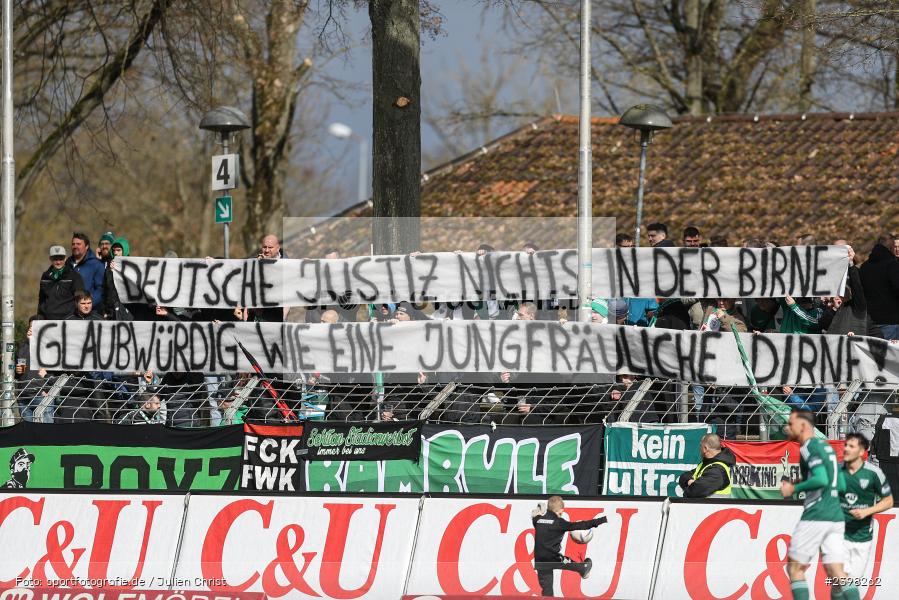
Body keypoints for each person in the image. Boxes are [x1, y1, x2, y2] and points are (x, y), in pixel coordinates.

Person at [780, 409, 857, 600]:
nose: (787, 427)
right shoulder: (827, 447)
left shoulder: (809, 447)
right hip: (835, 516)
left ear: (803, 426)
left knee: (795, 568)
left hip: (817, 514)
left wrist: (793, 488)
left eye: (790, 423)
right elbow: (841, 484)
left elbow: (821, 479)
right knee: (837, 574)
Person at [840, 433, 893, 581]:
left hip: (862, 537)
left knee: (852, 581)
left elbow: (888, 501)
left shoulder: (873, 473)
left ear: (862, 451)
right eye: (845, 445)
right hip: (839, 535)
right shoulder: (836, 471)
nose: (846, 449)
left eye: (851, 446)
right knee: (842, 579)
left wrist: (866, 511)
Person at [531, 495, 607, 597]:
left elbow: (535, 517)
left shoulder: (538, 520)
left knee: (547, 590)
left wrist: (537, 514)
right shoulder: (559, 522)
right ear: (560, 511)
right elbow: (581, 525)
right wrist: (602, 520)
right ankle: (583, 568)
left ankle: (548, 596)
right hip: (553, 558)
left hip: (540, 560)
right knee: (566, 561)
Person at [860, 234, 899, 340]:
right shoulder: (892, 265)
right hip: (891, 320)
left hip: (868, 320)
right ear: (891, 247)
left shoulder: (864, 266)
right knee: (889, 350)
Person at [677, 433, 735, 498]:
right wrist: (689, 482)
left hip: (712, 505)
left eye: (700, 446)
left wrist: (691, 484)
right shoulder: (706, 464)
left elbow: (693, 492)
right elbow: (683, 476)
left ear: (705, 448)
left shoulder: (718, 470)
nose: (700, 449)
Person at [38, 245, 85, 319]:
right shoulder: (45, 276)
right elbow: (41, 299)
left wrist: (77, 317)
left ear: (65, 258)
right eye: (55, 259)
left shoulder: (74, 276)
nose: (58, 262)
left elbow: (80, 298)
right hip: (48, 319)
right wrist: (40, 316)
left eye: (61, 259)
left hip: (69, 319)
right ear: (50, 259)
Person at [67, 232, 105, 306]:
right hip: (69, 310)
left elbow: (101, 289)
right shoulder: (67, 264)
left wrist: (87, 304)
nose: (75, 246)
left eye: (78, 244)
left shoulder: (96, 265)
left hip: (90, 310)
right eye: (73, 244)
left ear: (87, 246)